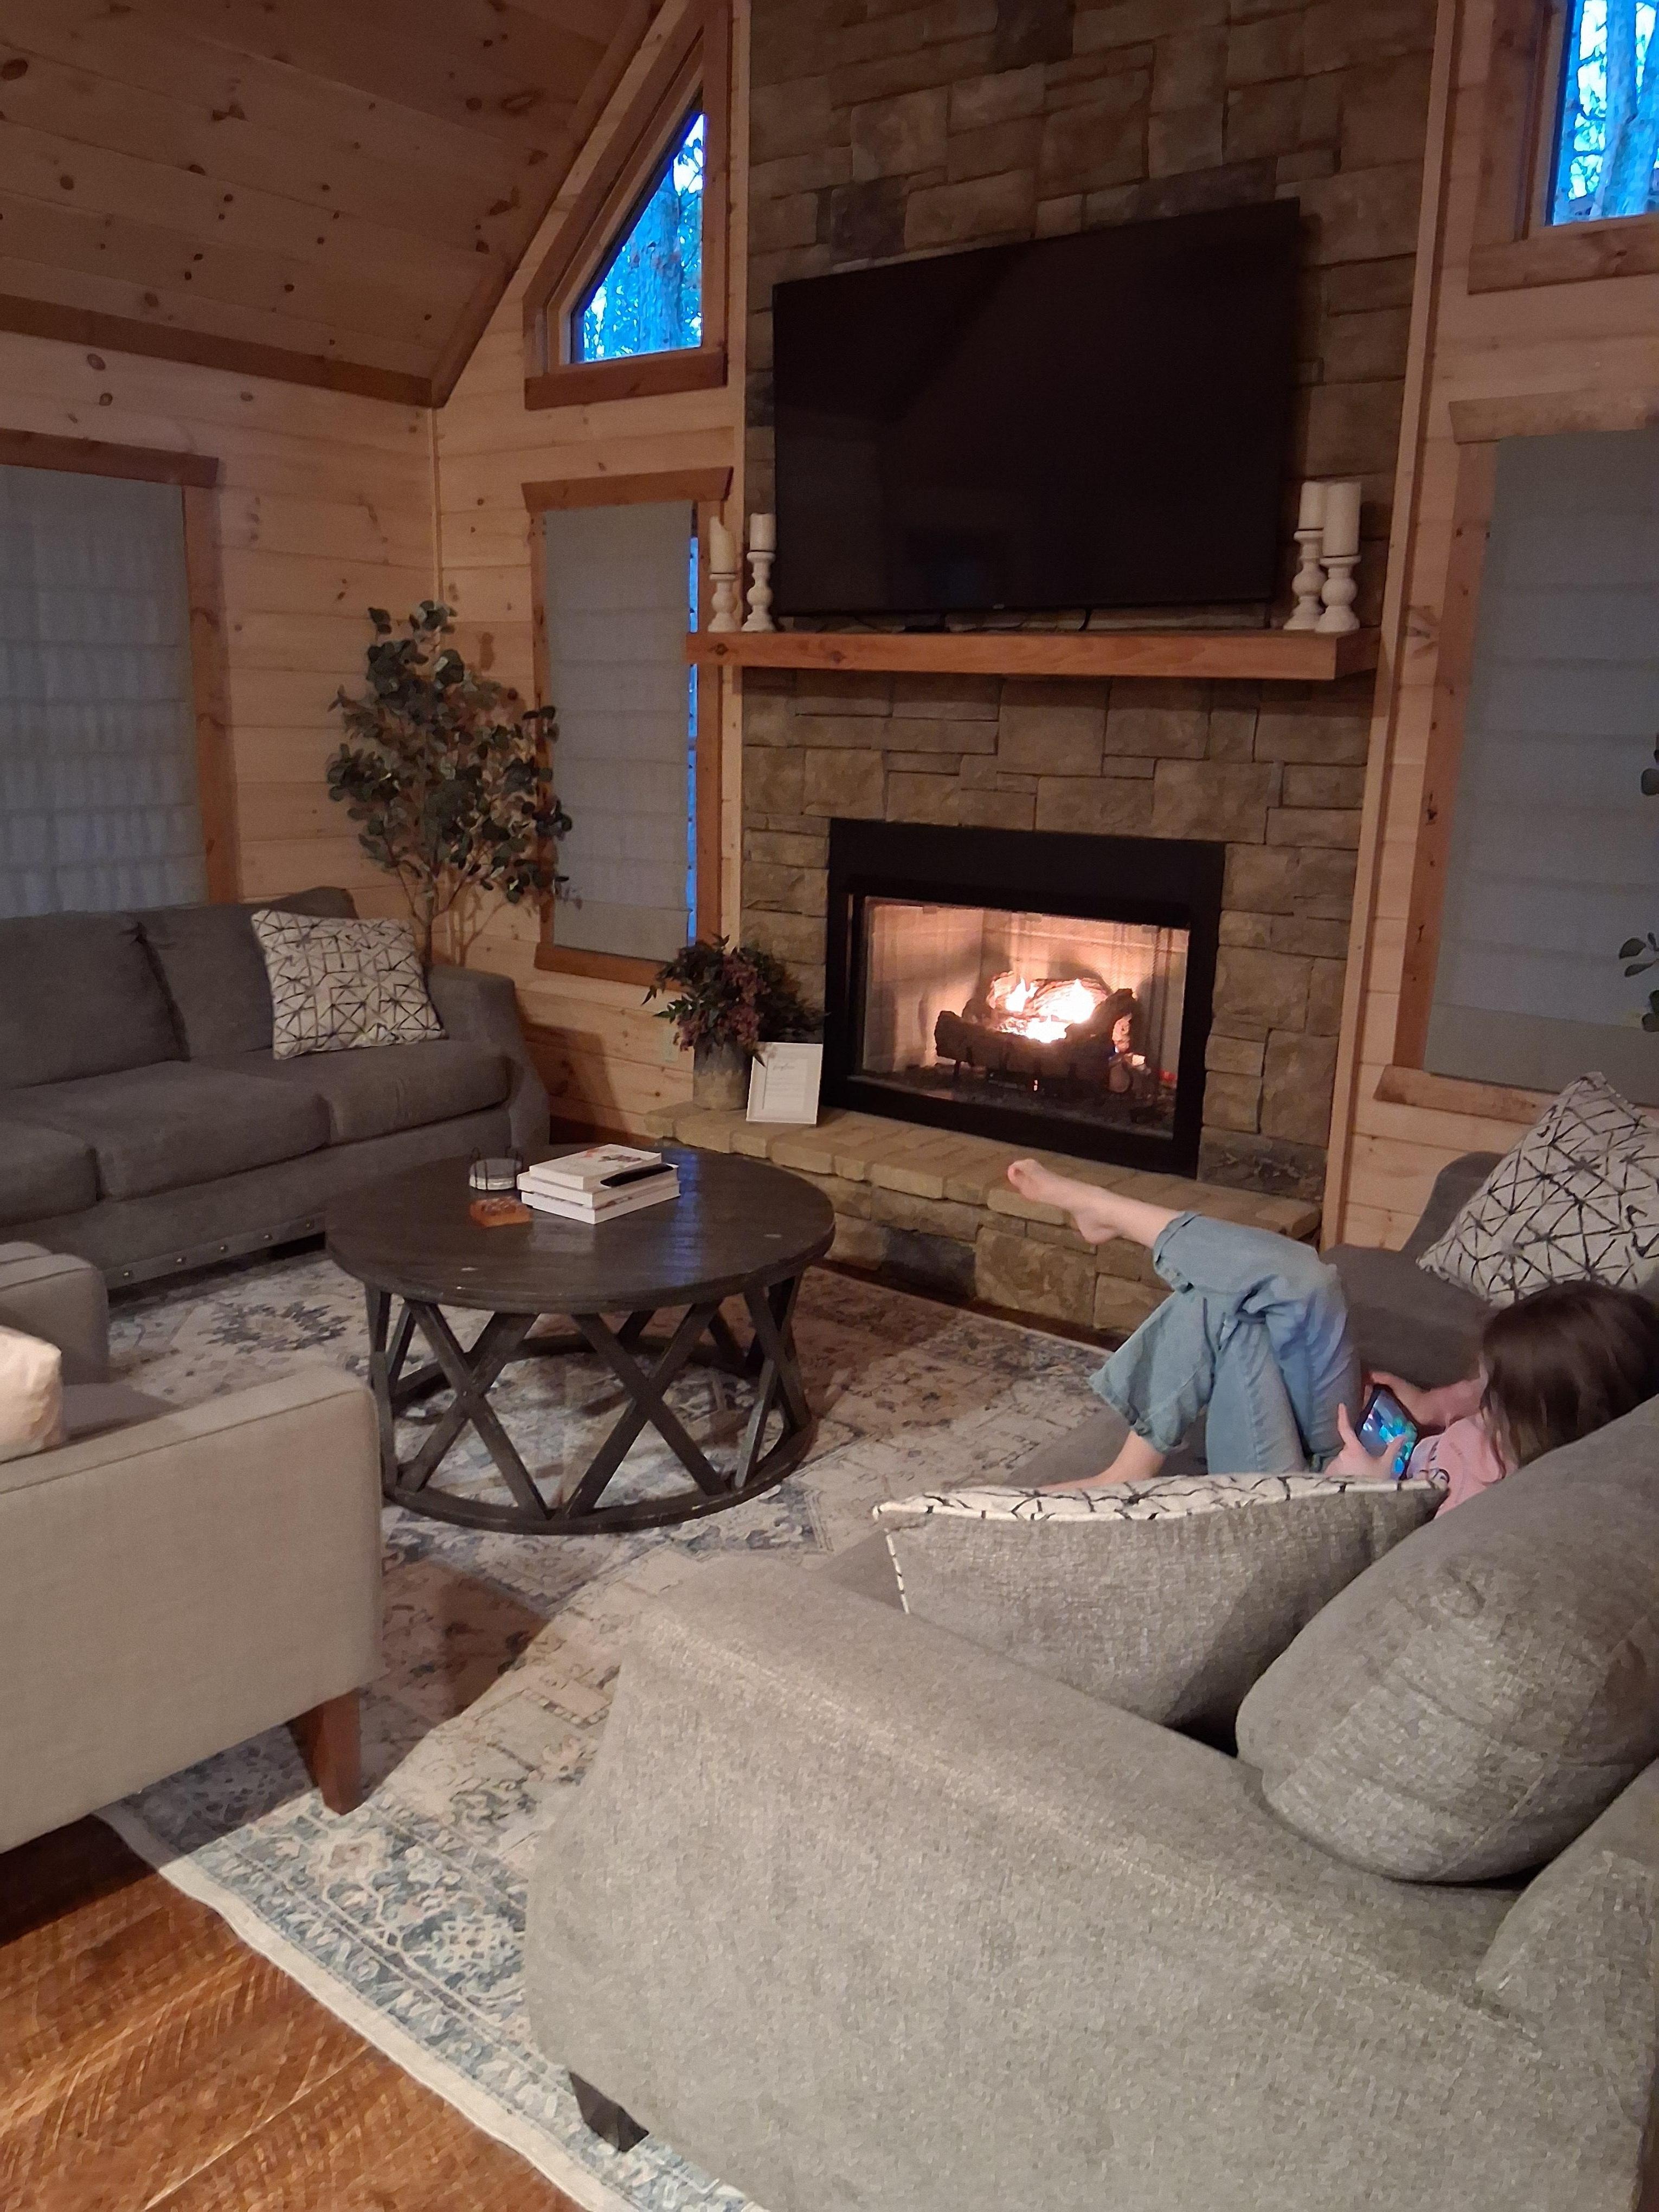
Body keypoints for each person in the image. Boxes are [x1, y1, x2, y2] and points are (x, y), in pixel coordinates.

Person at [1005, 1159, 1659, 1510]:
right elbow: (1472, 1393)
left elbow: (1389, 1573)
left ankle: (1109, 1212)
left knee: (1238, 1300)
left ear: (1546, 1417)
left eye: (1494, 1396)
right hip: (1359, 1450)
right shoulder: (1534, 1406)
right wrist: (1434, 1406)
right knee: (1303, 1285)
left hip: (1315, 1502)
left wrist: (1365, 1496)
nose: (1480, 1399)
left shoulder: (1514, 1506)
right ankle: (1129, 1468)